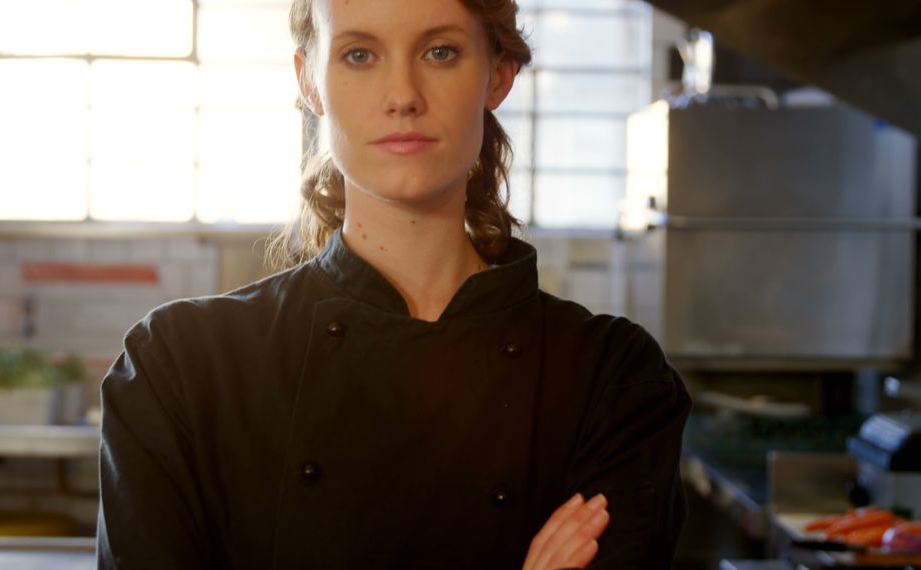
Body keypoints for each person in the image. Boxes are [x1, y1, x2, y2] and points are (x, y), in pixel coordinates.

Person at [96, 0, 691, 568]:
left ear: (498, 74)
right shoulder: (178, 367)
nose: (403, 96)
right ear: (309, 81)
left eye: (440, 52)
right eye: (359, 54)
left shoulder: (614, 381)